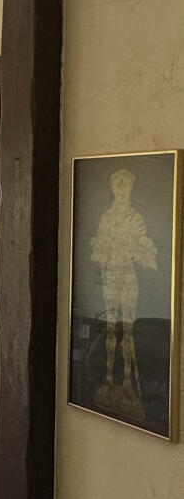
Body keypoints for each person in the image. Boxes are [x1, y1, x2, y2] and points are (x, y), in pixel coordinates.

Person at [90, 167, 157, 420]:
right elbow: (98, 253)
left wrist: (137, 253)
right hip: (111, 276)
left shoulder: (136, 218)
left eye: (127, 183)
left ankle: (128, 385)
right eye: (118, 182)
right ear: (111, 186)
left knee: (127, 329)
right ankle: (109, 381)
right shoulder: (106, 217)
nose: (122, 187)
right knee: (110, 327)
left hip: (128, 276)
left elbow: (146, 253)